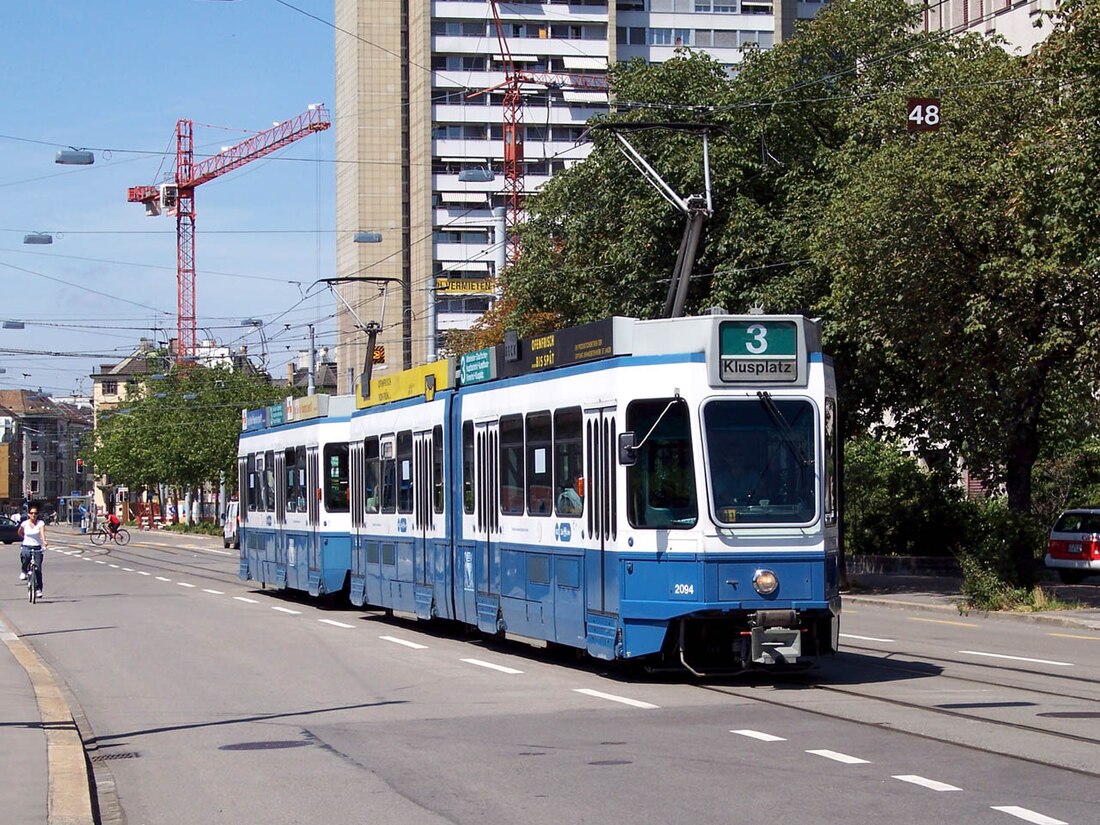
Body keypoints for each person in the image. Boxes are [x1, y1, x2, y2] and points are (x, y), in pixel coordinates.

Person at [18, 505, 48, 599]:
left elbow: (42, 534)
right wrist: (24, 539)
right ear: (28, 514)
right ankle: (24, 571)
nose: (33, 515)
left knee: (38, 569)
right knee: (25, 556)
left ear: (37, 514)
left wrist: (44, 542)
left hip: (37, 547)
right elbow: (19, 532)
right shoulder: (24, 524)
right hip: (26, 546)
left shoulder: (40, 523)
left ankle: (38, 589)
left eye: (35, 513)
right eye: (31, 513)